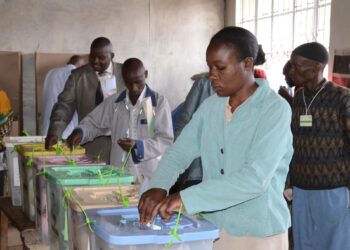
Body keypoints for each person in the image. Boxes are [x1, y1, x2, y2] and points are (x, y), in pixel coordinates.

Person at [138, 26, 293, 250]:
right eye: (210, 67)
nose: (212, 75)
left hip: (258, 233)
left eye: (220, 68)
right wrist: (159, 186)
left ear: (247, 64)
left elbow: (254, 179)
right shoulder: (211, 106)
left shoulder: (274, 110)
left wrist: (184, 198)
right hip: (214, 227)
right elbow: (180, 151)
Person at [66, 58, 174, 193]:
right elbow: (94, 123)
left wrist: (139, 146)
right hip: (120, 177)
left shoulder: (157, 103)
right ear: (123, 80)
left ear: (145, 75)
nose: (134, 88)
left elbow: (165, 140)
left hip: (150, 178)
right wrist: (80, 132)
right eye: (129, 83)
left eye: (138, 82)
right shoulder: (115, 103)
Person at [289, 42, 350, 250]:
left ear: (316, 67)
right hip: (301, 186)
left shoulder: (342, 97)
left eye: (297, 66)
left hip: (332, 187)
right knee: (302, 242)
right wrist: (290, 182)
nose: (292, 70)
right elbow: (293, 141)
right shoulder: (298, 98)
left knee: (334, 243)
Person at [45, 37, 125, 163]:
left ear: (112, 56)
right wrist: (54, 132)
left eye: (101, 58)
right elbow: (64, 106)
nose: (95, 61)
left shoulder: (125, 73)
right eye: (92, 57)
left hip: (122, 146)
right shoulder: (78, 76)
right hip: (91, 145)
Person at [41, 55, 85, 139]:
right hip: (67, 128)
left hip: (47, 126)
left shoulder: (51, 73)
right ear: (80, 65)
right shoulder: (77, 74)